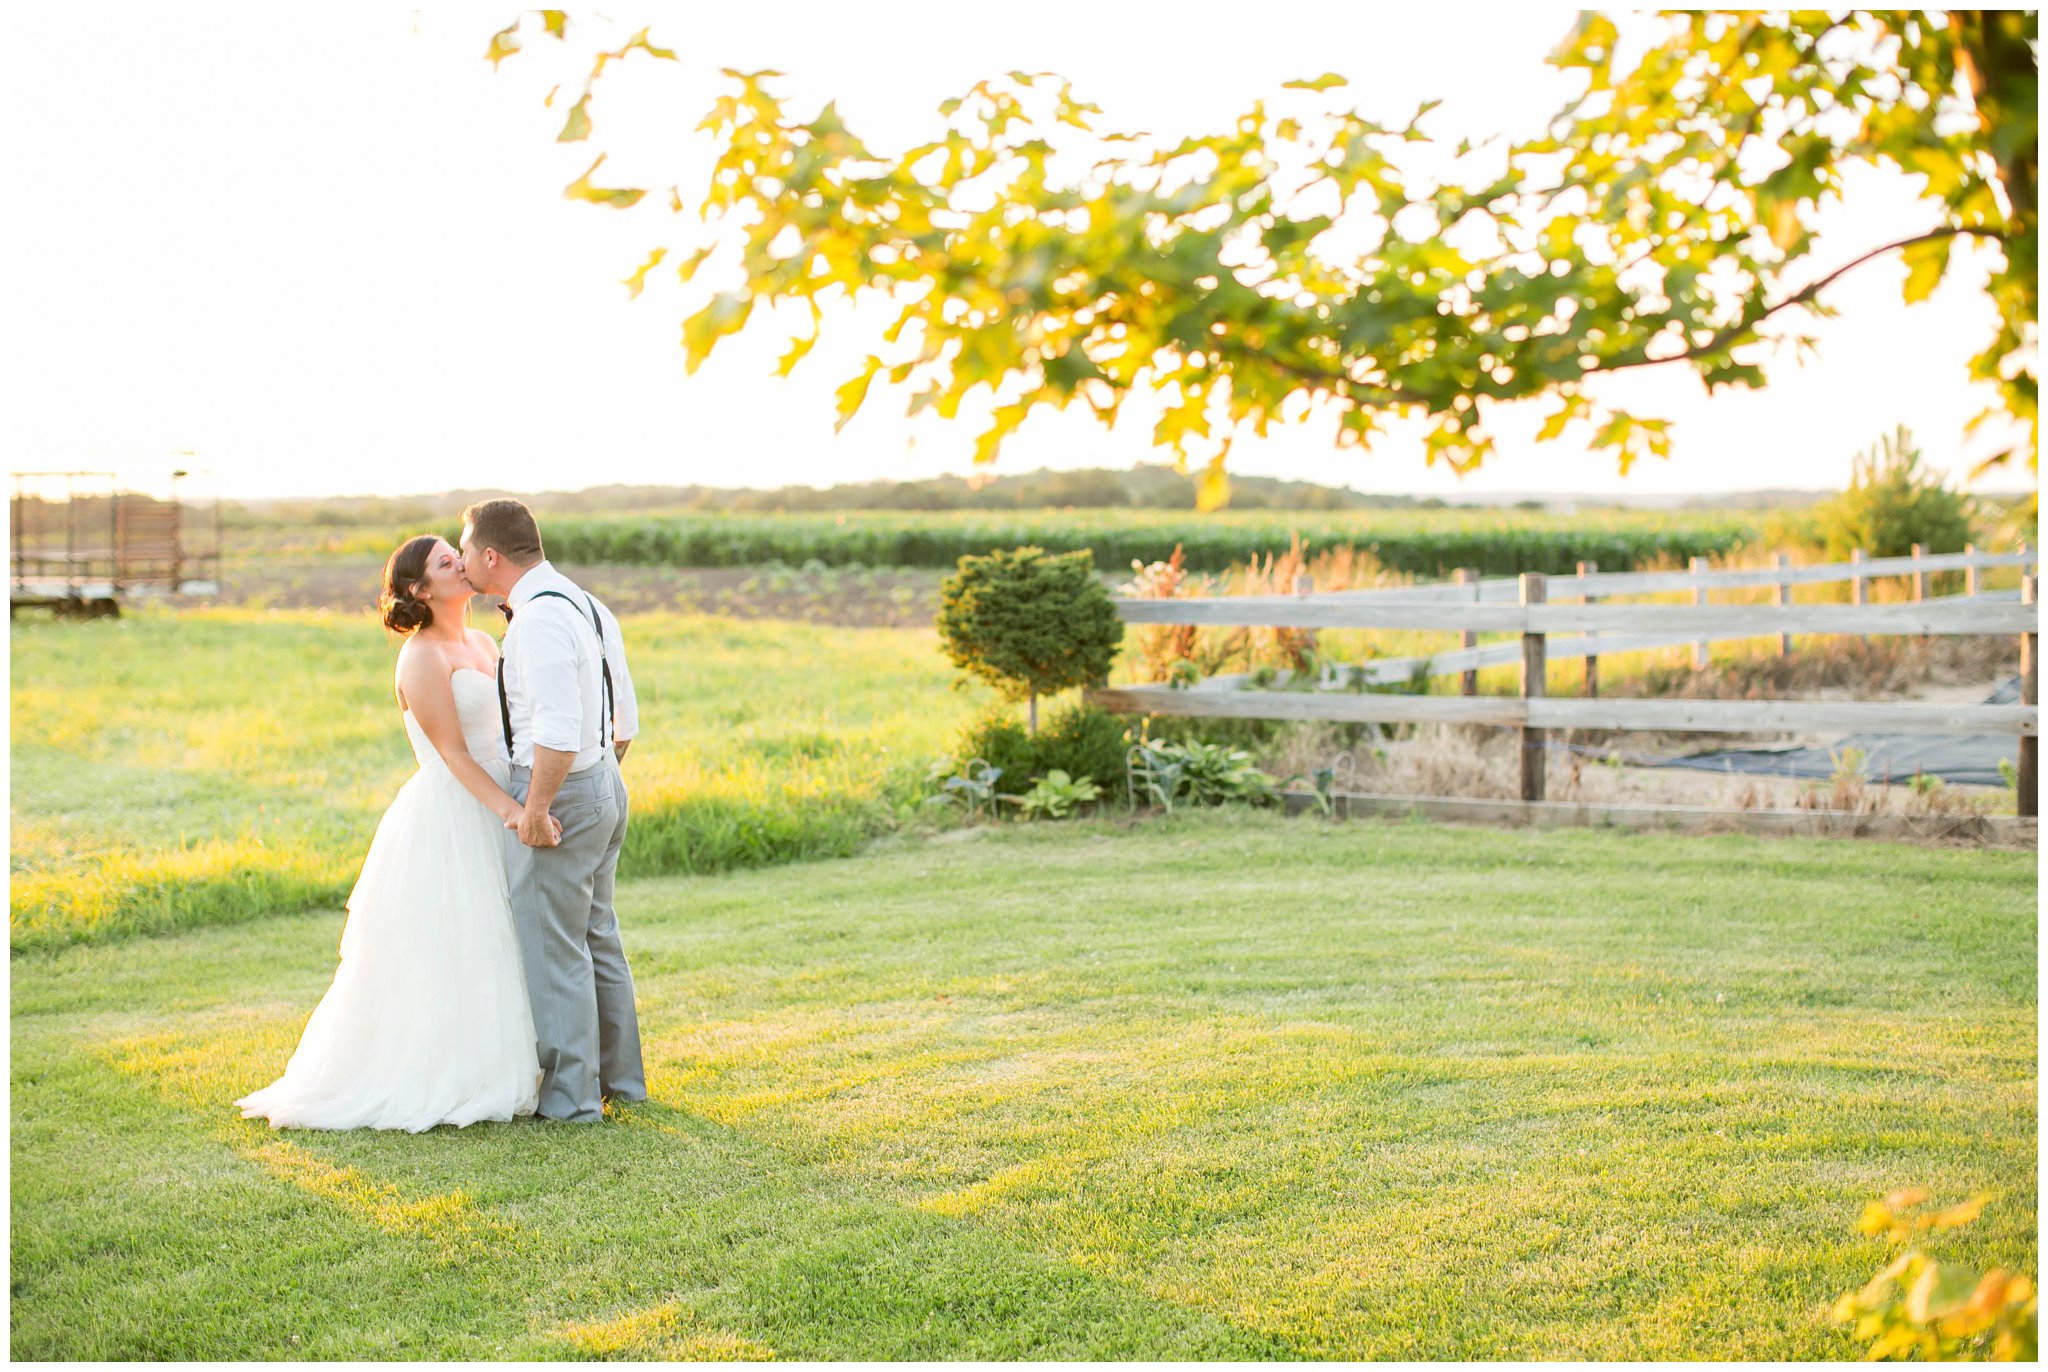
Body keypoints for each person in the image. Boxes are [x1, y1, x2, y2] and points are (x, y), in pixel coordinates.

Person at [236, 535, 547, 1132]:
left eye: (458, 557)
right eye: (444, 562)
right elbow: (454, 754)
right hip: (455, 810)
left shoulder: (483, 642)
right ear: (418, 590)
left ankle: (518, 1059)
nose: (460, 564)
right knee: (452, 939)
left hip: (503, 796)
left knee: (502, 935)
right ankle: (447, 1074)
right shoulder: (421, 656)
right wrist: (511, 811)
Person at [458, 498, 647, 1123]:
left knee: (554, 945)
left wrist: (538, 806)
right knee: (597, 936)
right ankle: (622, 1082)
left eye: (465, 550)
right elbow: (624, 719)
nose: (461, 561)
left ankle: (570, 1101)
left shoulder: (537, 620)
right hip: (603, 784)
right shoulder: (585, 602)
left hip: (559, 792)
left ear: (491, 557)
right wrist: (600, 780)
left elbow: (558, 732)